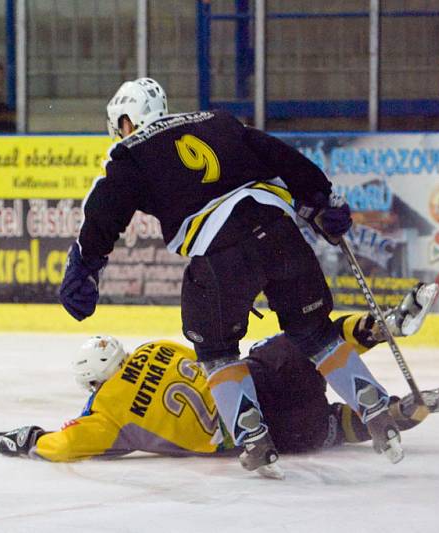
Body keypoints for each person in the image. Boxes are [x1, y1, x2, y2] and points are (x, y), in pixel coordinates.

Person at [59, 78, 411, 477]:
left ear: (125, 121)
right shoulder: (218, 121)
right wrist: (321, 200)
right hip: (281, 234)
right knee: (314, 333)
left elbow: (105, 210)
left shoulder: (131, 152)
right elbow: (282, 156)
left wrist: (85, 265)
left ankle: (253, 436)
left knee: (216, 350)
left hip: (221, 254)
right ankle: (373, 405)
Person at [1, 284, 439, 471]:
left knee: (329, 428)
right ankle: (381, 326)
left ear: (93, 383)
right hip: (263, 379)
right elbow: (213, 359)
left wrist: (33, 439)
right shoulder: (154, 349)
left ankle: (404, 412)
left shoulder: (106, 414)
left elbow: (66, 445)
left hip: (258, 433)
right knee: (312, 339)